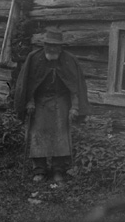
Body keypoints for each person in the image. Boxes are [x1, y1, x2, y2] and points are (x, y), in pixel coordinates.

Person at [14, 29, 90, 182]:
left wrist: (75, 107)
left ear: (61, 47)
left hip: (60, 101)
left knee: (60, 136)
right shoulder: (34, 58)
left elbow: (75, 86)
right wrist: (30, 101)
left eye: (56, 46)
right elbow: (28, 83)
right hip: (39, 102)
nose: (52, 49)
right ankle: (39, 170)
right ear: (44, 45)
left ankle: (58, 170)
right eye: (49, 45)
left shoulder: (69, 60)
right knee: (38, 135)